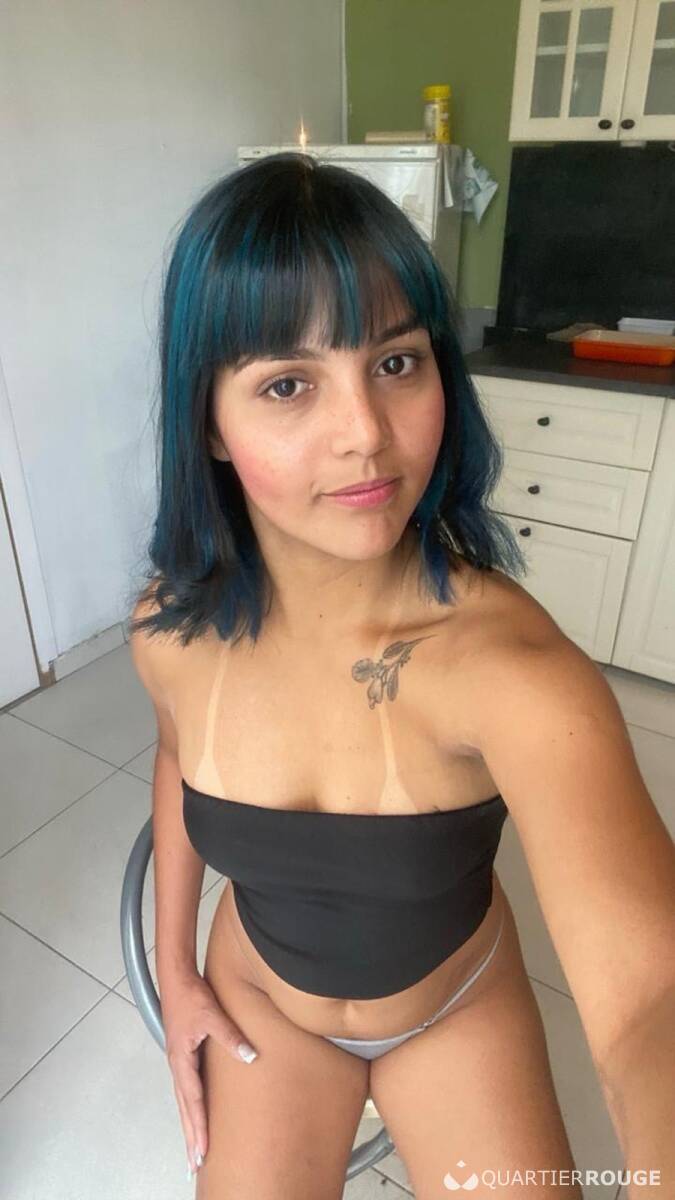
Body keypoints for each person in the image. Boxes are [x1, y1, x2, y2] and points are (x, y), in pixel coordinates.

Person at [128, 152, 675, 1200]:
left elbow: (651, 998)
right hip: (264, 997)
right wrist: (176, 968)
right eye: (287, 384)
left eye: (395, 361)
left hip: (454, 1004)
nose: (366, 435)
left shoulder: (517, 673)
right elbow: (174, 753)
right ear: (208, 424)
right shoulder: (170, 631)